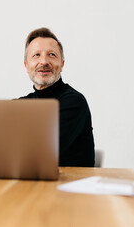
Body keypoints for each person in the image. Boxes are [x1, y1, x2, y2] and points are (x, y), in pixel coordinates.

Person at [19, 27, 95, 167]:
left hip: (69, 185)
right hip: (33, 183)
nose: (44, 62)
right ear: (26, 65)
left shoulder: (74, 102)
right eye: (36, 55)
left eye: (52, 55)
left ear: (62, 65)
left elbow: (43, 152)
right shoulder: (20, 105)